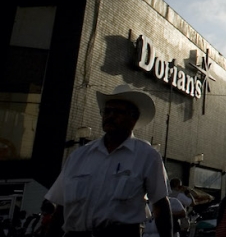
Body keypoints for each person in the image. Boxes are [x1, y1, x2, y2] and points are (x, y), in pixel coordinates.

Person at [45, 84, 173, 237]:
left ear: (133, 118)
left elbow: (160, 205)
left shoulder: (147, 156)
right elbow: (61, 208)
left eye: (118, 112)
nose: (110, 116)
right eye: (107, 111)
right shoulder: (79, 156)